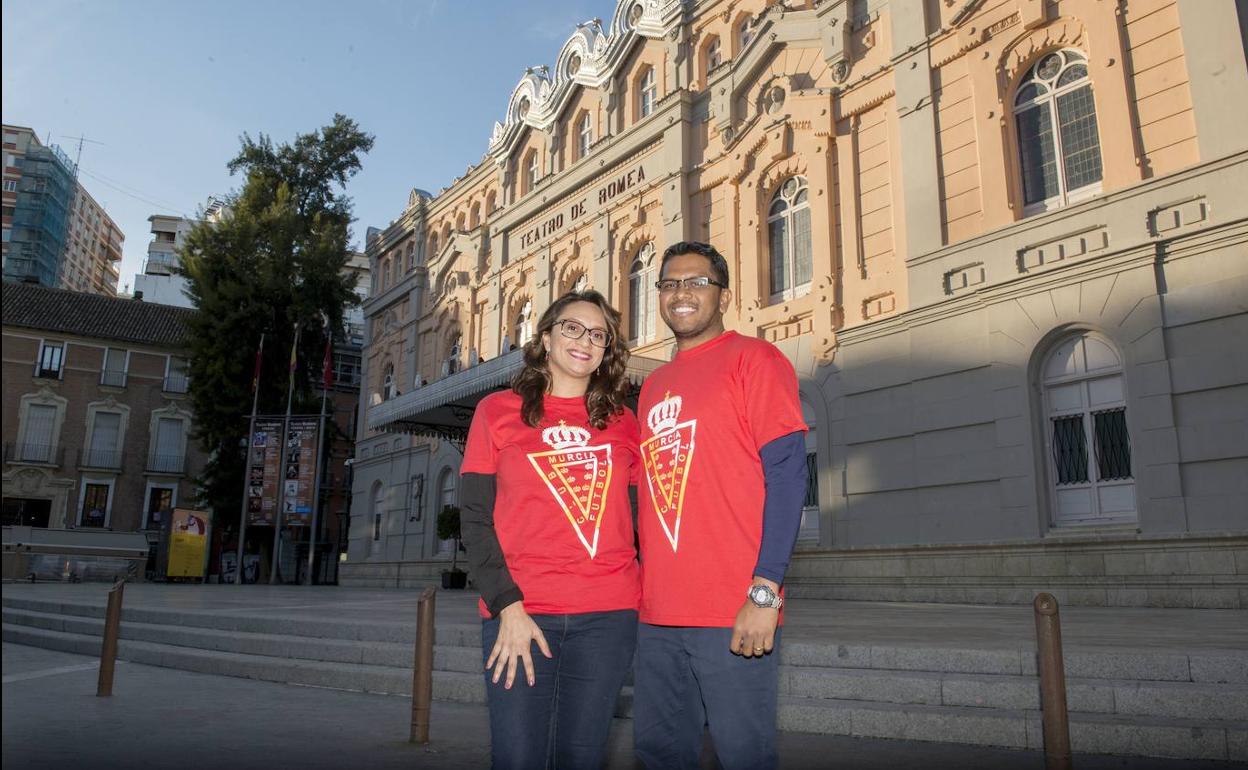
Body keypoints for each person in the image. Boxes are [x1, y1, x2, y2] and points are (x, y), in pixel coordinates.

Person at [633, 241, 808, 770]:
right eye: (669, 284)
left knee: (744, 757)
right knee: (659, 756)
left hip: (732, 613)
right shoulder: (653, 386)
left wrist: (765, 593)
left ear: (724, 296)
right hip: (657, 616)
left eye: (696, 282)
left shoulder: (755, 359)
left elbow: (788, 475)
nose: (680, 294)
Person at [460, 289, 642, 770]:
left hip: (608, 615)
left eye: (598, 334)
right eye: (572, 327)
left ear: (608, 351)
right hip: (520, 613)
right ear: (545, 336)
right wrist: (507, 606)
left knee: (581, 758)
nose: (585, 340)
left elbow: (647, 518)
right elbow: (475, 519)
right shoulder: (497, 412)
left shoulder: (626, 424)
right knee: (518, 757)